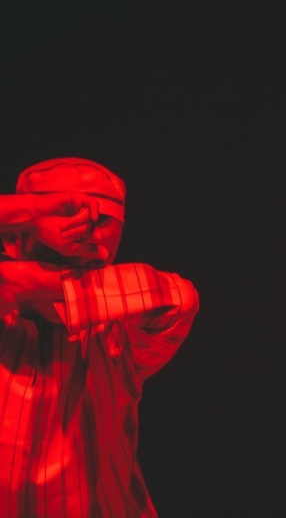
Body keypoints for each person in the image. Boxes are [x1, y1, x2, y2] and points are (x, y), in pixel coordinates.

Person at [0, 157, 200, 517]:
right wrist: (30, 211)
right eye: (54, 258)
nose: (70, 281)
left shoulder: (119, 338)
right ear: (13, 241)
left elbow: (179, 298)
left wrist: (32, 281)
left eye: (88, 271)